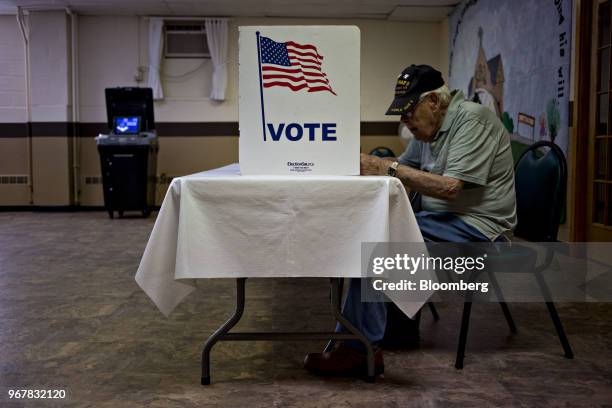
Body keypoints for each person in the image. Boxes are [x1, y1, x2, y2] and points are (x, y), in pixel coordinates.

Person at [304, 64, 517, 377]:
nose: (404, 121)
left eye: (408, 112)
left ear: (432, 101)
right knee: (368, 237)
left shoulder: (473, 119)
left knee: (375, 251)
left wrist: (384, 168)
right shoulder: (429, 128)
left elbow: (450, 188)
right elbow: (401, 169)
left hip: (477, 229)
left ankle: (359, 351)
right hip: (440, 221)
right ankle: (356, 341)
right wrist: (362, 164)